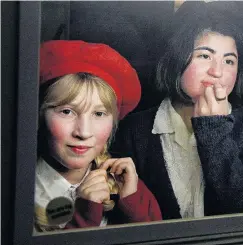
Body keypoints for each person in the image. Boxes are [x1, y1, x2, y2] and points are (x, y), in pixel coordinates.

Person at [109, 1, 243, 220]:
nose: (217, 71)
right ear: (177, 57)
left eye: (229, 61)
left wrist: (215, 129)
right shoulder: (134, 130)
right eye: (204, 56)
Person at [35, 40, 162, 231]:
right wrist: (84, 215)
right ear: (39, 116)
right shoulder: (18, 190)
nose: (83, 132)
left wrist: (132, 202)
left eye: (99, 114)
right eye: (67, 112)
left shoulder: (124, 183)